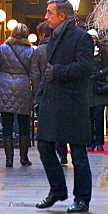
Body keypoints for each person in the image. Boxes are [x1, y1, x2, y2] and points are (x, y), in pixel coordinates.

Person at [35, 0, 94, 214]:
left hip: (73, 103)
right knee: (43, 145)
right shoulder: (52, 37)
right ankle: (58, 190)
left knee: (78, 153)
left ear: (62, 16)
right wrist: (39, 97)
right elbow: (46, 70)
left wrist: (57, 72)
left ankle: (82, 199)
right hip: (51, 101)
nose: (46, 16)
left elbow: (85, 67)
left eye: (49, 13)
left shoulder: (82, 37)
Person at [0, 22, 40, 167]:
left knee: (7, 123)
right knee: (24, 123)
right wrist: (35, 93)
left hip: (5, 87)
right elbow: (35, 74)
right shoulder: (31, 51)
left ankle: (9, 159)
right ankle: (23, 157)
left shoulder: (3, 48)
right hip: (23, 87)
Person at [34, 22, 68, 165]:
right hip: (59, 88)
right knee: (60, 121)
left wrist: (36, 94)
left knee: (46, 123)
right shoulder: (61, 46)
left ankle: (50, 152)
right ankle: (63, 152)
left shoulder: (39, 50)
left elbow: (35, 73)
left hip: (44, 89)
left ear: (42, 34)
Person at [86, 29, 108, 152]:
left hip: (99, 87)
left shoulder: (102, 52)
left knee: (99, 115)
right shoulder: (84, 51)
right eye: (90, 38)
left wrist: (100, 73)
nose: (92, 40)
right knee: (89, 116)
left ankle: (100, 142)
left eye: (94, 38)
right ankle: (90, 142)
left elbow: (107, 67)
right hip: (88, 88)